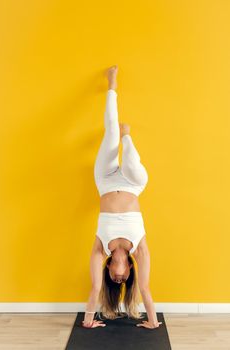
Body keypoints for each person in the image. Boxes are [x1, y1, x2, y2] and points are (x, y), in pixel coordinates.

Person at [82, 65, 162, 330]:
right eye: (124, 281)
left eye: (114, 281)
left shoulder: (99, 250)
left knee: (111, 133)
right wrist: (152, 323)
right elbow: (147, 289)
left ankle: (112, 84)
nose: (119, 280)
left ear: (110, 271)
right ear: (128, 271)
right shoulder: (139, 250)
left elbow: (95, 290)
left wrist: (89, 322)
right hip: (132, 183)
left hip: (104, 182)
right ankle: (128, 138)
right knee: (129, 158)